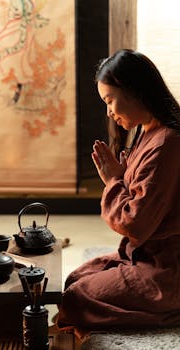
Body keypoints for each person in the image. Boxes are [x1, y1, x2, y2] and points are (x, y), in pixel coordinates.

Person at [57, 49, 180, 338]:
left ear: (135, 92)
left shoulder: (166, 143)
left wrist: (114, 181)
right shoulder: (149, 131)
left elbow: (135, 224)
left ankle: (170, 311)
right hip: (143, 256)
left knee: (76, 298)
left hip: (167, 268)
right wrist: (123, 178)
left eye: (110, 100)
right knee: (76, 278)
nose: (109, 111)